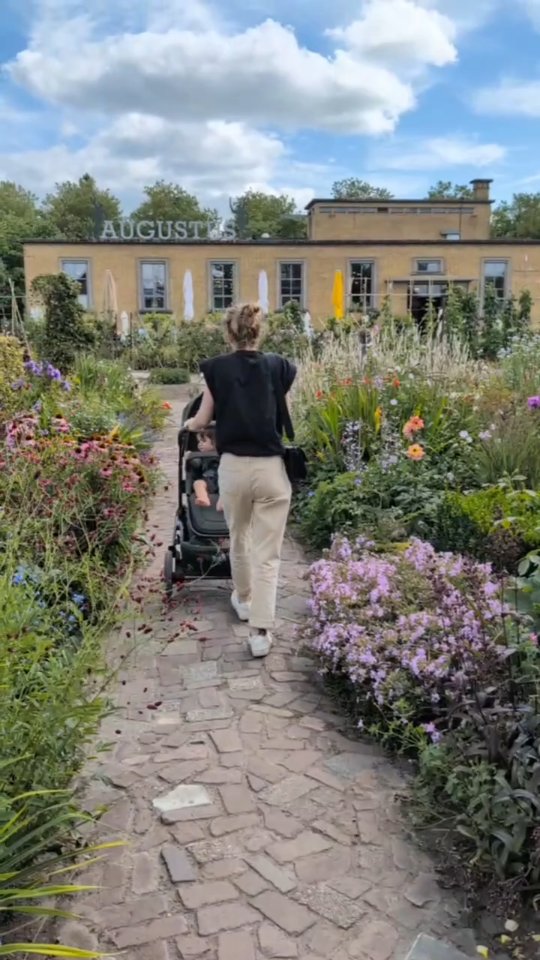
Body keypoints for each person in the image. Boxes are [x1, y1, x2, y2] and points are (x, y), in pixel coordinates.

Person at [183, 302, 296, 658]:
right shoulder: (279, 366)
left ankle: (244, 599)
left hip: (233, 468)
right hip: (270, 468)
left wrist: (190, 425)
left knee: (239, 538)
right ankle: (260, 632)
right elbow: (279, 409)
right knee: (268, 555)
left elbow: (202, 420)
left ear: (229, 333)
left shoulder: (216, 369)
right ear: (258, 331)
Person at [192, 430, 223, 511]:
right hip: (208, 479)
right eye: (199, 441)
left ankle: (223, 501)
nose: (200, 444)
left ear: (215, 442)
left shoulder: (223, 454)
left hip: (224, 478)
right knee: (198, 483)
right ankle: (203, 498)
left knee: (228, 487)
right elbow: (196, 467)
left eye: (204, 441)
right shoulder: (201, 457)